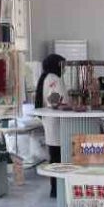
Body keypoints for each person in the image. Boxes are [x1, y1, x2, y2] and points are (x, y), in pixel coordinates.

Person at [35, 53, 66, 196]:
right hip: (56, 124)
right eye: (62, 65)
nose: (64, 69)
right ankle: (57, 189)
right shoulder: (54, 79)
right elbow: (55, 99)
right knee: (58, 158)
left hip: (50, 123)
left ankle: (55, 188)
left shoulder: (46, 77)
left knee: (54, 157)